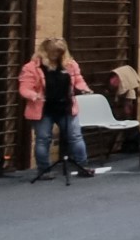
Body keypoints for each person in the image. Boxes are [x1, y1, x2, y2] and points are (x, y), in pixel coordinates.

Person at [20, 37, 94, 179]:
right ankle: (44, 170)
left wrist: (84, 89)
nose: (56, 55)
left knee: (75, 136)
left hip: (66, 107)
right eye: (53, 52)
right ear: (45, 51)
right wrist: (34, 95)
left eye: (59, 52)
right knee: (43, 139)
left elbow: (78, 80)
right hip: (43, 109)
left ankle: (83, 166)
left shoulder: (70, 65)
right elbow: (24, 88)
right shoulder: (31, 67)